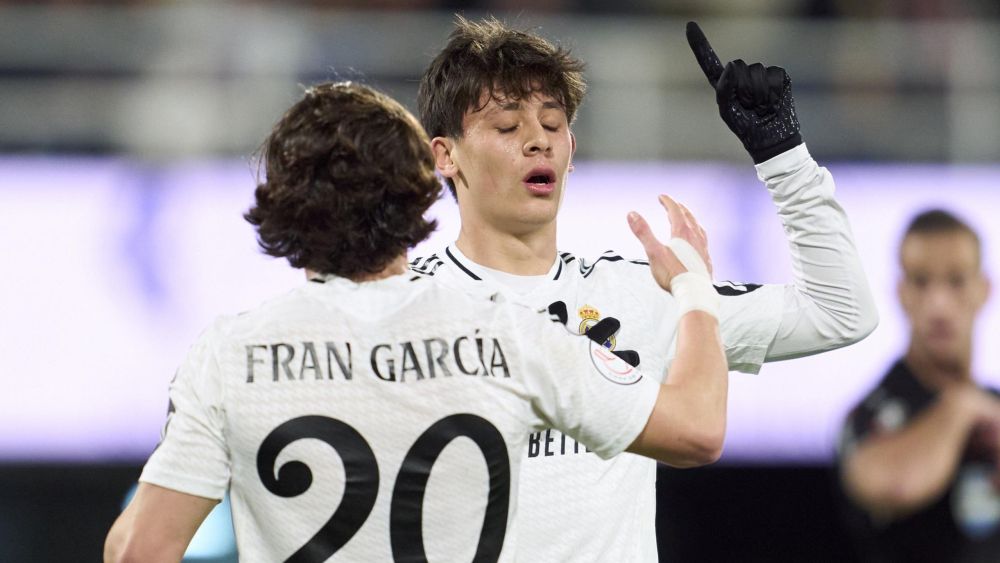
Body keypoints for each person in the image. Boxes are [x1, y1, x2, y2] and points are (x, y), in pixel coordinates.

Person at [102, 81, 731, 562]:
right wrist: (692, 287)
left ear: (280, 208)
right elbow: (697, 431)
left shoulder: (231, 354)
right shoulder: (507, 331)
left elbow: (138, 551)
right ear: (419, 194)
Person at [413, 16, 879, 562]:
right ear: (445, 155)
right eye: (508, 128)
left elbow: (840, 311)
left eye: (553, 123)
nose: (538, 141)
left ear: (572, 146)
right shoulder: (407, 307)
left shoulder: (641, 293)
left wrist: (784, 159)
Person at [837, 209, 1000, 562]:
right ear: (901, 292)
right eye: (922, 281)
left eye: (956, 281)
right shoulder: (870, 413)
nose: (939, 305)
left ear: (984, 289)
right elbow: (894, 485)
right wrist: (961, 406)